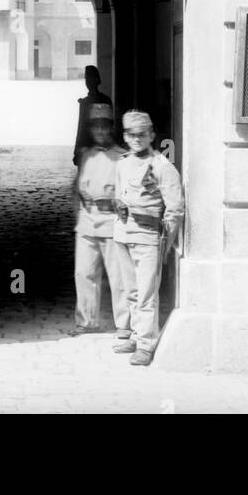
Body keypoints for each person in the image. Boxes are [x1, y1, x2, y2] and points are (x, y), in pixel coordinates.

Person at [112, 110, 184, 367]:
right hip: (122, 233)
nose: (137, 139)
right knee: (131, 291)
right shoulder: (122, 163)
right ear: (125, 136)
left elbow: (174, 210)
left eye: (142, 134)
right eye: (131, 135)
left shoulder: (163, 168)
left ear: (152, 135)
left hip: (148, 237)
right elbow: (120, 195)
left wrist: (165, 244)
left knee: (146, 294)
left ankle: (146, 344)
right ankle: (134, 334)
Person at [73, 102, 134, 337]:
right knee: (84, 273)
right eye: (95, 126)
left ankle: (124, 324)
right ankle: (86, 321)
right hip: (87, 222)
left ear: (111, 128)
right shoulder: (86, 156)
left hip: (111, 222)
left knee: (118, 277)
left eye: (104, 126)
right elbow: (75, 190)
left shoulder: (122, 158)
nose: (99, 131)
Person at [73, 65, 113, 165]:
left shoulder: (105, 100)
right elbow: (81, 128)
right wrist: (77, 151)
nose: (88, 81)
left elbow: (110, 127)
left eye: (91, 78)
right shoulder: (85, 102)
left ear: (97, 79)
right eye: (86, 78)